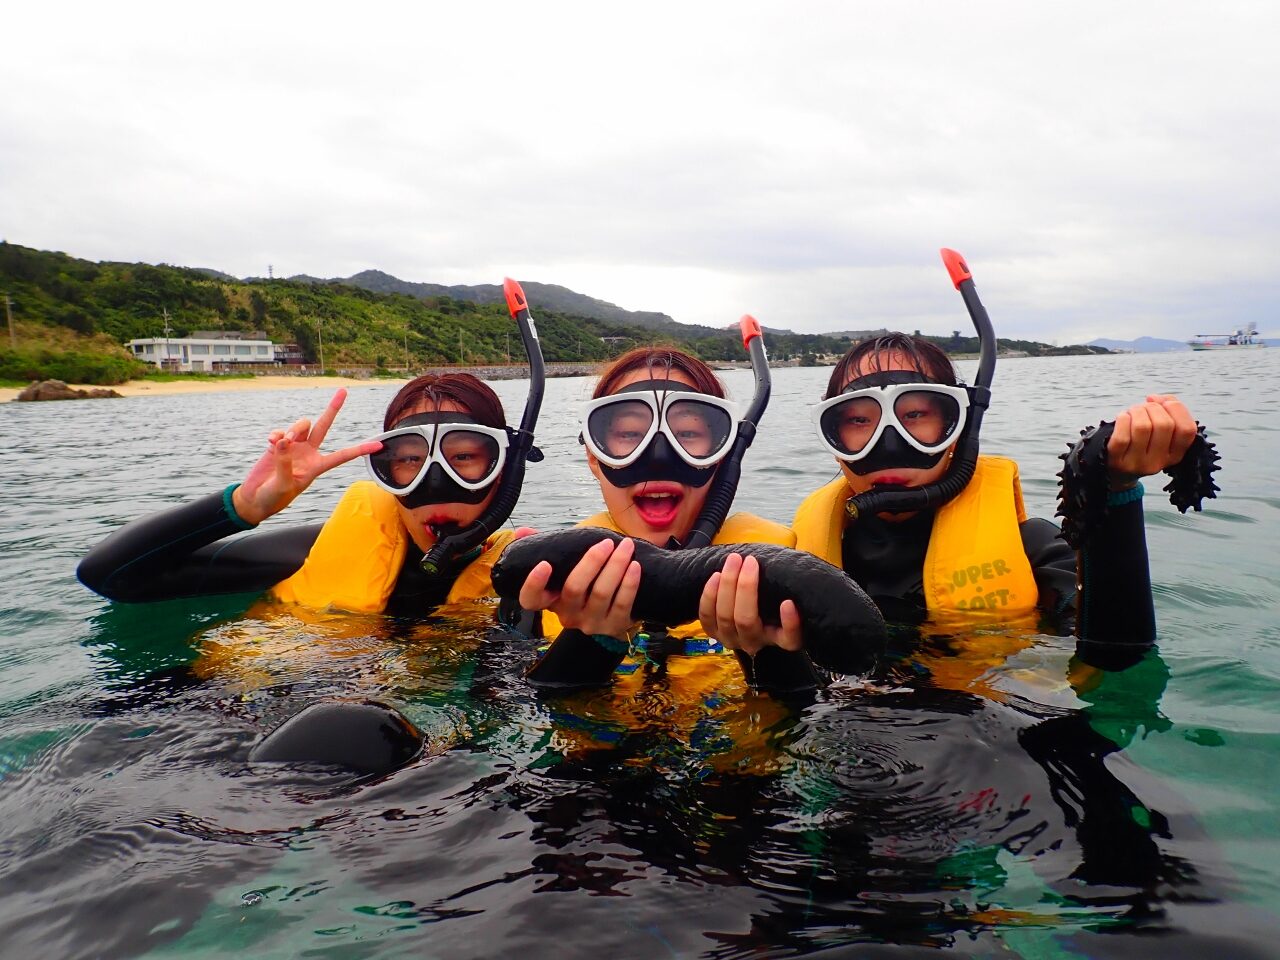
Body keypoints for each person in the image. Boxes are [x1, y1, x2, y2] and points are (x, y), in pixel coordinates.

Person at [749, 332, 1199, 663]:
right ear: (833, 438)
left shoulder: (1031, 547)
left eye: (917, 414)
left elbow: (1118, 659)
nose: (889, 442)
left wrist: (1115, 490)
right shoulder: (796, 564)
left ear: (958, 427)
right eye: (858, 421)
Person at [78, 374, 532, 617]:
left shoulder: (527, 581)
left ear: (506, 468)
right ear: (383, 468)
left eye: (466, 456)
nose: (436, 482)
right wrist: (243, 508)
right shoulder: (320, 550)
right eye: (410, 460)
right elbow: (109, 576)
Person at [512, 347, 806, 691]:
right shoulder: (545, 591)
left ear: (724, 458)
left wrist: (772, 653)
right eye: (629, 435)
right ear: (594, 458)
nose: (659, 457)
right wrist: (592, 643)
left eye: (688, 434)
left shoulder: (783, 586)